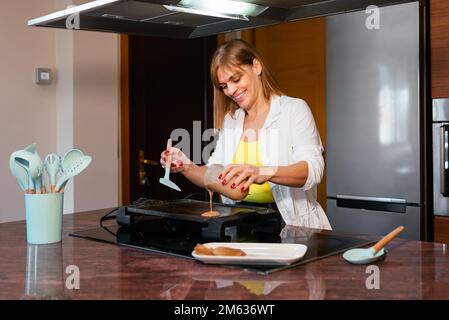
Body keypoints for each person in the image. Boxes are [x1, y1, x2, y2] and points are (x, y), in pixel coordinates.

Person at [160, 39, 331, 230]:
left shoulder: (293, 110)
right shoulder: (232, 120)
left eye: (235, 79)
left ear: (256, 66)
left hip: (291, 226)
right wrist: (186, 166)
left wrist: (260, 171)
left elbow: (313, 170)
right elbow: (215, 172)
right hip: (241, 224)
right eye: (224, 86)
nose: (231, 90)